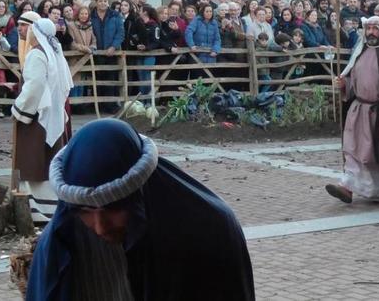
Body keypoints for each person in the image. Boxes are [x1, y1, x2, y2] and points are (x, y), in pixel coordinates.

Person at [26, 118, 255, 301]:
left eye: (113, 208)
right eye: (84, 210)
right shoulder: (59, 244)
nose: (99, 227)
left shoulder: (210, 230)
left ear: (140, 194)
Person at [325, 16, 379, 204]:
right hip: (358, 110)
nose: (371, 32)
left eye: (375, 29)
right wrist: (343, 83)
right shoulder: (360, 52)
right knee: (352, 150)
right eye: (368, 29)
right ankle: (347, 187)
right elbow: (353, 80)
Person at [12, 18, 74, 225]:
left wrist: (19, 109)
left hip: (38, 116)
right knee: (47, 158)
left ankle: (37, 209)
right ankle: (51, 205)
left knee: (33, 159)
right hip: (50, 114)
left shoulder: (37, 54)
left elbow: (35, 85)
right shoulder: (54, 52)